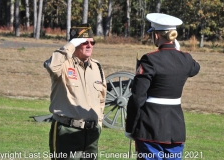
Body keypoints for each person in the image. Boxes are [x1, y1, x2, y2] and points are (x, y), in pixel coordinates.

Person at [125, 13, 200, 160]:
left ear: (157, 36)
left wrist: (130, 128)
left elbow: (137, 97)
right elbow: (195, 68)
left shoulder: (150, 59)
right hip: (176, 129)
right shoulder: (186, 59)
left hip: (150, 127)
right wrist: (177, 51)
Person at [44, 23, 107, 160]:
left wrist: (99, 123)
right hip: (67, 130)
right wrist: (70, 45)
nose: (90, 46)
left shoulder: (97, 67)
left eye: (92, 42)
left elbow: (101, 98)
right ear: (75, 43)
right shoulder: (63, 64)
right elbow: (51, 66)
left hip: (91, 133)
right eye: (84, 42)